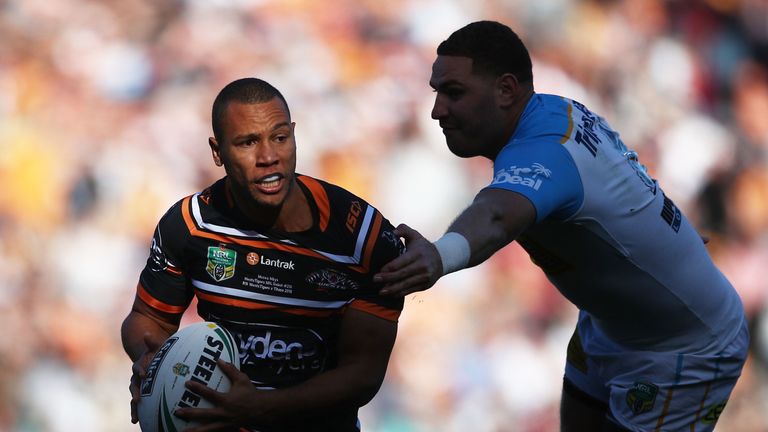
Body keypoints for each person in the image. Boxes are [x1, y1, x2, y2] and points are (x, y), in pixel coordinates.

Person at [374, 21, 749, 432]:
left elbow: (497, 215)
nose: (437, 110)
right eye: (437, 92)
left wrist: (440, 255)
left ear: (505, 90)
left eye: (454, 93)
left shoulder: (544, 152)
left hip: (682, 346)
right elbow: (623, 175)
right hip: (608, 323)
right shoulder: (556, 111)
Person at [121, 77, 405, 432]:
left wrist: (262, 408)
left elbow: (363, 374)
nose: (268, 157)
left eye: (280, 138)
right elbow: (147, 317)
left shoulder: (364, 237)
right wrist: (153, 364)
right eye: (248, 142)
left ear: (294, 135)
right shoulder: (190, 225)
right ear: (217, 151)